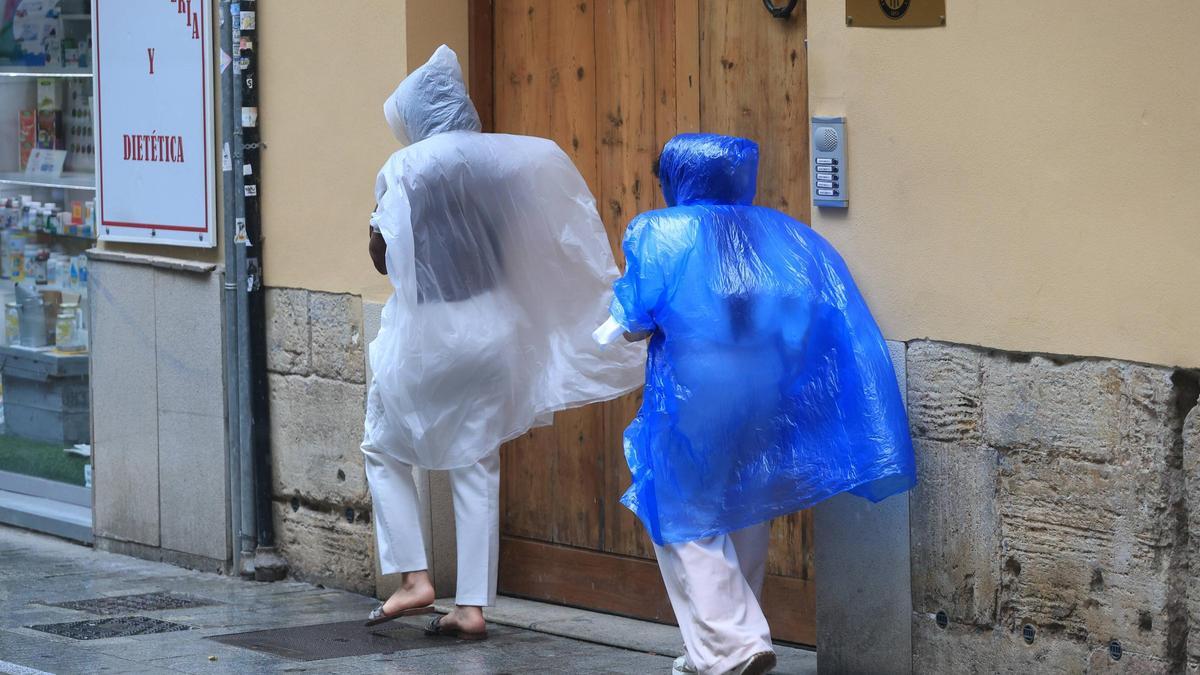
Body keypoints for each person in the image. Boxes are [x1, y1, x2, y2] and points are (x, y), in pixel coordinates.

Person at [597, 134, 917, 675]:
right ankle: (714, 649)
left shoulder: (660, 231)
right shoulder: (786, 233)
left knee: (683, 510)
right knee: (744, 502)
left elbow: (629, 323)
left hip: (700, 386)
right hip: (770, 384)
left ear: (679, 178)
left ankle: (735, 643)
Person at [362, 45, 643, 639]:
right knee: (476, 459)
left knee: (383, 444)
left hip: (433, 328)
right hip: (496, 326)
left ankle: (414, 578)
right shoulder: (503, 164)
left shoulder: (405, 169)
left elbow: (384, 256)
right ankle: (471, 607)